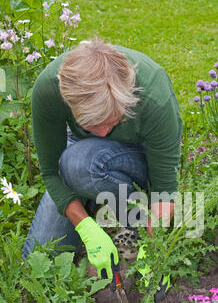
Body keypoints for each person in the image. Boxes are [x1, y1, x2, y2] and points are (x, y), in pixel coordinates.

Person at [22, 38, 182, 283]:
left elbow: (166, 190)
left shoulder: (154, 95)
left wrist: (155, 248)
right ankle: (94, 202)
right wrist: (86, 228)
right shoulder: (49, 90)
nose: (105, 131)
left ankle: (134, 222)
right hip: (81, 153)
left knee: (80, 162)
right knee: (41, 260)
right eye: (93, 125)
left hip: (140, 154)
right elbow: (51, 172)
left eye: (112, 120)